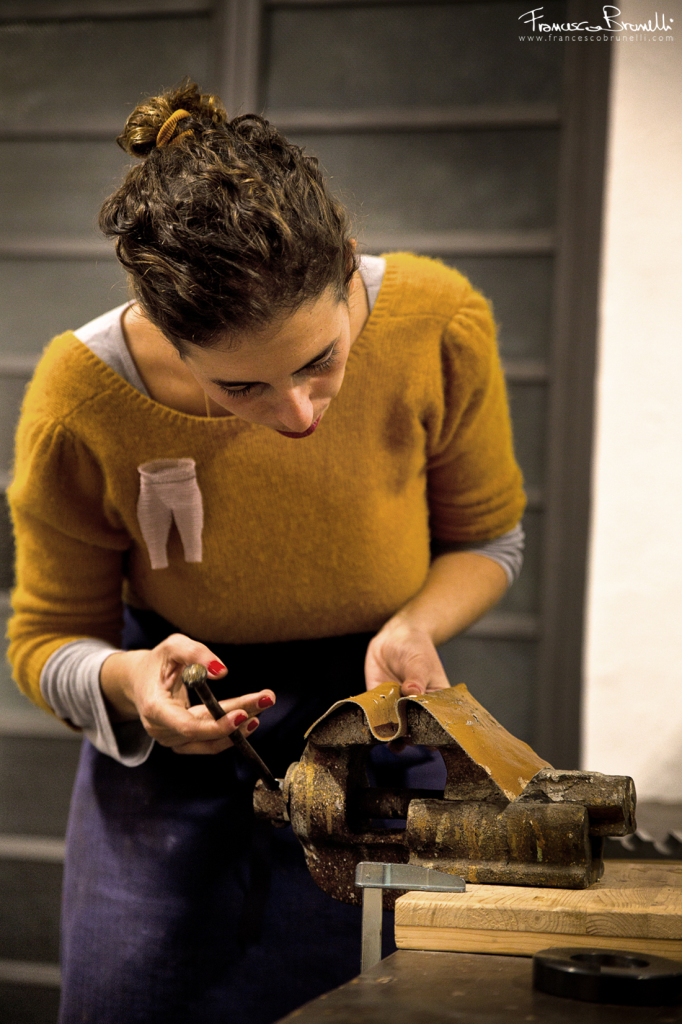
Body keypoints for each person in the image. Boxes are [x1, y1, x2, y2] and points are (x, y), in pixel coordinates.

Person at [8, 81, 525, 1024]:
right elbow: (44, 641)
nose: (298, 414)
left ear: (346, 272)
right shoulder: (81, 399)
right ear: (164, 333)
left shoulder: (438, 323)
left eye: (320, 361)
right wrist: (129, 682)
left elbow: (488, 538)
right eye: (240, 387)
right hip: (179, 745)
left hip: (377, 727)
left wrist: (416, 623)